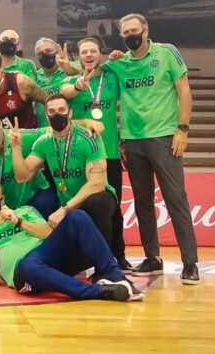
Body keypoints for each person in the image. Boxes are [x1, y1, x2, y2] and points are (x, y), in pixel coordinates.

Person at [101, 13, 199, 284]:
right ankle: (153, 258)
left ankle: (190, 262)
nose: (130, 35)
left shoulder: (167, 52)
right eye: (125, 33)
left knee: (175, 199)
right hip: (132, 142)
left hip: (164, 137)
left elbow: (184, 90)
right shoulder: (120, 63)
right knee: (143, 203)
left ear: (145, 30)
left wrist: (183, 129)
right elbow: (89, 70)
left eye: (134, 30)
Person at [0, 184, 144, 302]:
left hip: (47, 252)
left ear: (3, 199)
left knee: (77, 216)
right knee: (30, 266)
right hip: (22, 270)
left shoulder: (24, 211)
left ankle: (118, 278)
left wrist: (18, 221)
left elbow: (47, 232)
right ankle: (101, 292)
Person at [11, 95, 118, 256]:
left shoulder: (88, 137)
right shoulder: (43, 142)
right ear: (46, 116)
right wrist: (16, 148)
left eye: (61, 110)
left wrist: (64, 210)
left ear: (70, 113)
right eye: (52, 112)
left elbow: (97, 184)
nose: (57, 115)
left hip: (94, 198)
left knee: (97, 201)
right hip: (67, 202)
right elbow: (22, 176)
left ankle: (105, 264)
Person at [60, 36, 131, 271]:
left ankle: (118, 256)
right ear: (78, 58)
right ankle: (87, 257)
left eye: (93, 51)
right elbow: (65, 92)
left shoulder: (111, 75)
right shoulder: (70, 79)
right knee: (86, 207)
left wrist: (121, 56)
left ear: (100, 53)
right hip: (81, 155)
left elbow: (129, 67)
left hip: (108, 153)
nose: (88, 55)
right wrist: (79, 85)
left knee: (113, 209)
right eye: (84, 52)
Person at [0, 50, 47, 129]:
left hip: (25, 136)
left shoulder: (20, 81)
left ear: (1, 68)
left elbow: (47, 100)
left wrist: (47, 127)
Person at [33, 37, 77, 127]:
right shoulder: (35, 77)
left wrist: (68, 67)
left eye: (48, 50)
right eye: (40, 53)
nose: (44, 54)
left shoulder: (70, 68)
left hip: (69, 129)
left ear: (57, 51)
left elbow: (82, 71)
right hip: (44, 131)